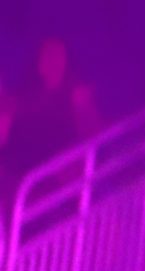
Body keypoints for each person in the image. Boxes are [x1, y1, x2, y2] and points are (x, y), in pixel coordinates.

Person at [0, 37, 103, 188]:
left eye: (57, 56)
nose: (52, 62)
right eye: (47, 56)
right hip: (24, 174)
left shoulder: (77, 95)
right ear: (39, 63)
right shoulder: (26, 98)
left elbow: (94, 137)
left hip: (58, 177)